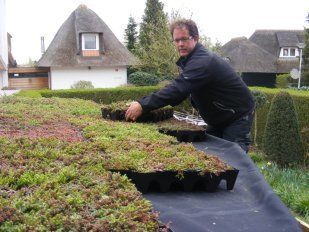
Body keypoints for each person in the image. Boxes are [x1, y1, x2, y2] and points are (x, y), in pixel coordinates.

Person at [125, 19, 255, 153]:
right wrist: (151, 106)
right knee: (211, 156)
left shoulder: (202, 61)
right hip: (220, 117)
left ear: (196, 38)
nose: (180, 44)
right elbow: (181, 93)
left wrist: (143, 105)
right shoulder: (190, 59)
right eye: (176, 40)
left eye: (184, 39)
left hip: (236, 116)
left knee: (234, 159)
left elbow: (178, 89)